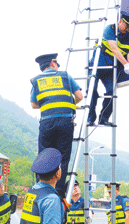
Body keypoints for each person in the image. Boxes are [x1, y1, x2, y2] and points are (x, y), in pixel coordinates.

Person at [31, 53, 84, 196]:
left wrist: (48, 103)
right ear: (53, 64)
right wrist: (68, 104)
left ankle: (41, 189)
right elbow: (79, 96)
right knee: (62, 157)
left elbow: (33, 104)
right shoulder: (65, 76)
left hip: (47, 122)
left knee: (44, 154)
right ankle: (58, 192)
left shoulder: (36, 81)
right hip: (65, 122)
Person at [88, 11, 129, 126]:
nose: (128, 28)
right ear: (120, 21)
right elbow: (114, 48)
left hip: (110, 69)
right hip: (96, 65)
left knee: (112, 92)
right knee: (92, 91)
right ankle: (90, 118)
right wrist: (126, 65)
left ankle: (104, 118)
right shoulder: (110, 29)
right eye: (126, 25)